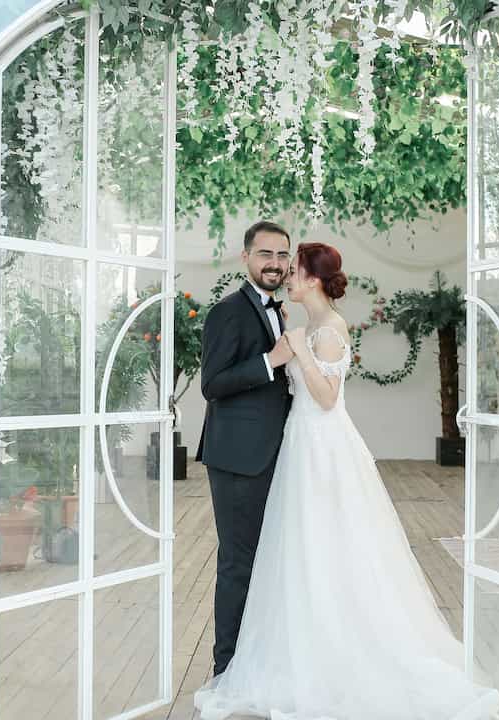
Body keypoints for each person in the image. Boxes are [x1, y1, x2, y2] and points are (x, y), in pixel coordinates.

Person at [195, 240, 499, 720]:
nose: (287, 274)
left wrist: (295, 351)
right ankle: (280, 653)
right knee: (297, 551)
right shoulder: (301, 324)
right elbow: (223, 381)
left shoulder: (326, 330)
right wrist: (290, 351)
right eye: (277, 262)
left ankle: (332, 656)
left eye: (293, 267)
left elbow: (325, 397)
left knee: (325, 550)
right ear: (247, 258)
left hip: (319, 445)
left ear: (313, 279)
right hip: (295, 446)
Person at [195, 220, 295, 677]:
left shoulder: (281, 310)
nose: (274, 264)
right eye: (265, 255)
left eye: (281, 255)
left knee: (270, 558)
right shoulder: (229, 311)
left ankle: (258, 660)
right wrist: (270, 361)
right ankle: (226, 670)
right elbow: (212, 385)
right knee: (238, 562)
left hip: (276, 455)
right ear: (246, 258)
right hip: (238, 458)